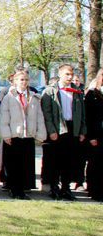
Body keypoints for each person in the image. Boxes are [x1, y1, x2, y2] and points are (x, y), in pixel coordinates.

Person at [0, 69, 46, 200]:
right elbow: (3, 117)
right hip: (14, 136)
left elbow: (39, 117)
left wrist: (40, 134)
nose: (24, 82)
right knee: (13, 165)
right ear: (15, 81)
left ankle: (22, 190)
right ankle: (13, 189)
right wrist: (6, 135)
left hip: (28, 136)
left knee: (25, 164)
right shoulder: (9, 97)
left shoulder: (34, 97)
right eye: (21, 80)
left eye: (26, 80)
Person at [41, 63, 86, 201]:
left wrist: (82, 130)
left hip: (73, 128)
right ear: (60, 74)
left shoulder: (77, 91)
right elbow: (47, 113)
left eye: (71, 74)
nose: (70, 77)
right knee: (55, 160)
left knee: (69, 160)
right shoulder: (51, 91)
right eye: (67, 74)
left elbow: (82, 113)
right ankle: (54, 187)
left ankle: (66, 188)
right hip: (58, 128)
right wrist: (52, 130)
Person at [84, 69, 103, 202]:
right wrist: (91, 136)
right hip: (96, 134)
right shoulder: (92, 94)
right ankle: (94, 190)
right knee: (95, 163)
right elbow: (88, 117)